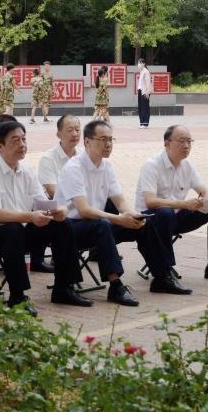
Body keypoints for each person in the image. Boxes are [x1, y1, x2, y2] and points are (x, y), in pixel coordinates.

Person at [0, 120, 93, 315]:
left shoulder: (27, 172)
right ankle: (17, 297)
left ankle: (64, 288)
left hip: (18, 233)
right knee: (13, 229)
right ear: (0, 146)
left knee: (62, 224)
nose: (22, 145)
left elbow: (42, 203)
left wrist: (59, 210)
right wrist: (30, 216)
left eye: (24, 139)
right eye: (15, 140)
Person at [135, 125, 208, 295]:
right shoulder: (151, 165)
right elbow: (150, 202)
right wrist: (184, 204)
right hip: (151, 220)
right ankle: (164, 274)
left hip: (175, 217)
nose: (186, 146)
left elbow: (204, 191)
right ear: (167, 143)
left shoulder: (187, 166)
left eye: (189, 141)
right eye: (181, 141)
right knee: (165, 212)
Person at [54, 120, 142, 306]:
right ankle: (115, 286)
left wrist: (133, 215)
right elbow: (84, 210)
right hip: (69, 228)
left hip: (95, 224)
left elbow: (120, 201)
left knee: (146, 222)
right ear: (87, 141)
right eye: (103, 139)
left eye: (110, 139)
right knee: (103, 226)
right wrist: (118, 219)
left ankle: (162, 275)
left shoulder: (107, 166)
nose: (108, 144)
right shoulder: (74, 168)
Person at [38, 114, 82, 200]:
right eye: (70, 130)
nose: (75, 134)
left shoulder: (84, 155)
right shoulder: (48, 159)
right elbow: (52, 190)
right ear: (58, 134)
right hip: (61, 205)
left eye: (77, 130)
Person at [137, 58, 153, 128]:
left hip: (144, 92)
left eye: (140, 63)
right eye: (138, 63)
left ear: (144, 64)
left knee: (145, 107)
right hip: (140, 91)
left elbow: (148, 83)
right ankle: (142, 123)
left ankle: (145, 123)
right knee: (140, 107)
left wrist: (147, 92)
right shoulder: (141, 71)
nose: (139, 64)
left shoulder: (146, 71)